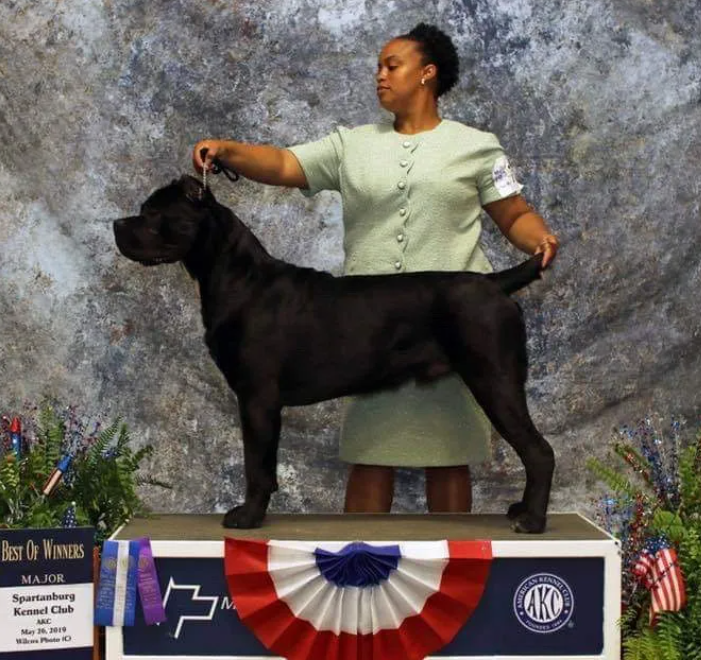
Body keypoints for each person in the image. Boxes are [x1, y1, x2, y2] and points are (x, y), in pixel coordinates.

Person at [192, 23, 559, 516]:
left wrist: (539, 239)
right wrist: (228, 150)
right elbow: (283, 164)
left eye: (392, 65)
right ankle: (360, 573)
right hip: (364, 328)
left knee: (449, 457)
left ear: (427, 74)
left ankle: (452, 566)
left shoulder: (479, 146)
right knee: (369, 457)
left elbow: (513, 212)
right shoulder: (351, 145)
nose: (379, 76)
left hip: (451, 317)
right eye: (378, 67)